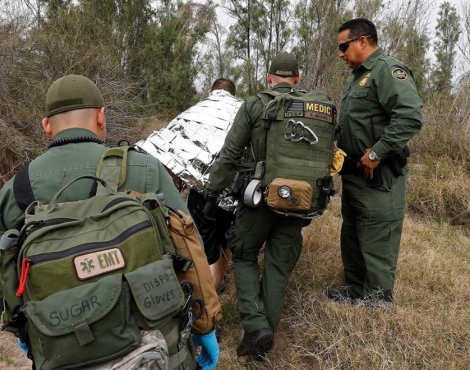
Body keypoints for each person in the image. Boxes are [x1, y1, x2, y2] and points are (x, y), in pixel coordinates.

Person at [0, 75, 220, 369]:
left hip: (65, 353)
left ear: (47, 126)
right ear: (101, 118)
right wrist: (205, 326)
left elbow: (2, 287)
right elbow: (190, 253)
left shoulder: (15, 191)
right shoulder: (144, 169)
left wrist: (26, 334)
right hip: (157, 348)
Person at [204, 53, 307, 359]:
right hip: (299, 201)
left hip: (260, 197)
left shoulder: (254, 104)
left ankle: (255, 325)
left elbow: (230, 153)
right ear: (298, 80)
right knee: (278, 267)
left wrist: (212, 193)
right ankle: (261, 348)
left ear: (268, 77)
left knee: (245, 255)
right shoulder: (314, 108)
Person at [328, 18, 423, 304]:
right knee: (354, 233)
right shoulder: (359, 76)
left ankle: (378, 300)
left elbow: (410, 116)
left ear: (362, 41)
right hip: (356, 173)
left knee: (377, 235)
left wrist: (375, 153)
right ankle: (357, 289)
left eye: (344, 46)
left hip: (379, 176)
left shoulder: (387, 70)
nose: (340, 54)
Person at [136, 78, 244, 293]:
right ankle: (219, 279)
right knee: (224, 236)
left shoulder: (199, 109)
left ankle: (209, 289)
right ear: (234, 93)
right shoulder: (244, 110)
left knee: (204, 242)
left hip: (204, 196)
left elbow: (169, 143)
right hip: (237, 192)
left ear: (210, 91)